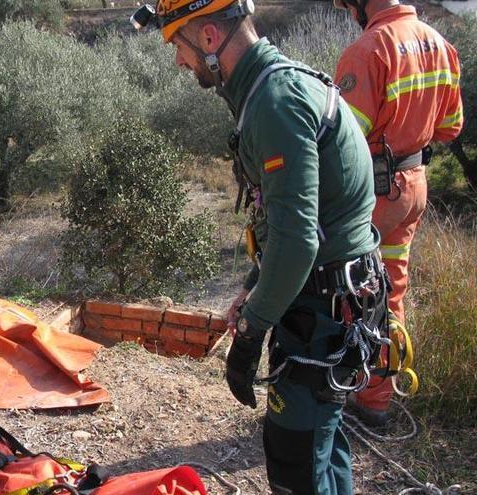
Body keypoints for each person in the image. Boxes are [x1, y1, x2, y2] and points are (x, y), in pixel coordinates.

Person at [130, 0, 387, 492]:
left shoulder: (275, 101)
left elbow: (296, 243)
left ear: (208, 39)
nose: (178, 62)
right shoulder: (272, 86)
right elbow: (291, 221)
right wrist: (255, 286)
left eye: (176, 46)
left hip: (324, 309)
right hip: (336, 298)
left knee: (297, 456)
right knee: (321, 443)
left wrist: (249, 335)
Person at [333, 0, 463, 427]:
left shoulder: (368, 51)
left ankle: (344, 389)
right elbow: (450, 126)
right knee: (390, 290)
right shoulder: (440, 44)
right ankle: (376, 399)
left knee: (353, 290)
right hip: (413, 184)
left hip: (374, 192)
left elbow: (340, 140)